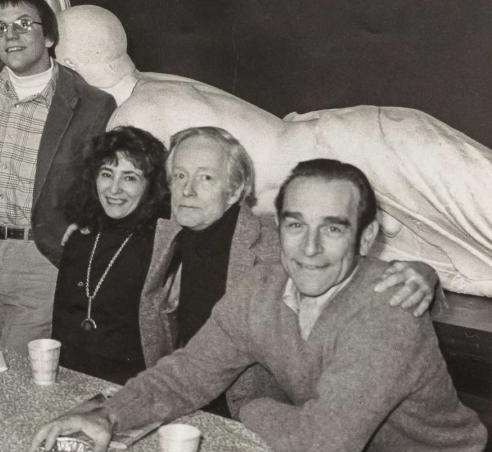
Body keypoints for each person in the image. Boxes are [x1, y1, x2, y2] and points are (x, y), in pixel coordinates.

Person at [32, 159, 487, 452]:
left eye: (332, 228)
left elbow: (320, 449)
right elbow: (186, 375)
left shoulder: (386, 311)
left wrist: (252, 408)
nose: (309, 249)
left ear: (366, 237)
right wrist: (109, 416)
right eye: (295, 225)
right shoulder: (261, 289)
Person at [56, 3, 492, 297]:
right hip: (360, 143)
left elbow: (129, 213)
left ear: (71, 67)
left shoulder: (135, 114)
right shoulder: (160, 84)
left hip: (360, 151)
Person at [141, 126, 437, 417]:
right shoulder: (164, 238)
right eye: (179, 176)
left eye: (205, 177)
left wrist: (424, 273)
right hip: (181, 406)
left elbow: (351, 268)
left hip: (260, 420)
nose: (187, 190)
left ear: (234, 190)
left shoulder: (276, 243)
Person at [0, 0, 116, 354]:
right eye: (0, 27)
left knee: (18, 384)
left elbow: (100, 188)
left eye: (23, 24)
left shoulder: (90, 105)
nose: (10, 35)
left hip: (40, 260)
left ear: (49, 37)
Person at [51, 126, 168, 384]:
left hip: (129, 386)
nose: (114, 190)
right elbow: (61, 326)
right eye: (107, 174)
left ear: (150, 186)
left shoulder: (163, 245)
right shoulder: (80, 237)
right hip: (69, 376)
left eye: (130, 178)